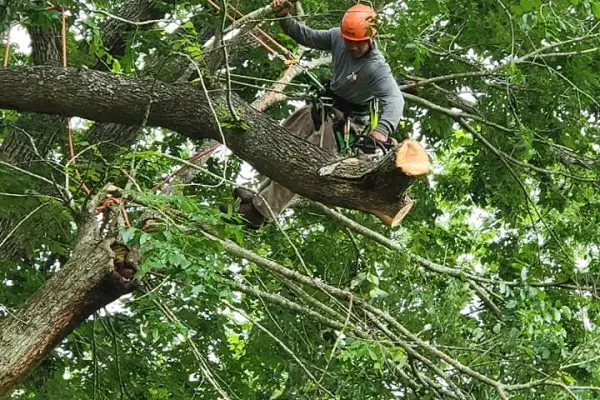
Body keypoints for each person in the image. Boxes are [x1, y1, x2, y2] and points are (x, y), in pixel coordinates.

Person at [231, 1, 405, 228]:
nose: (352, 47)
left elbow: (395, 99)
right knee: (282, 141)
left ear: (370, 39)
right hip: (321, 107)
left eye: (358, 43)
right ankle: (259, 195)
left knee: (302, 164)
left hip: (343, 123)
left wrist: (380, 132)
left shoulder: (376, 67)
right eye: (349, 41)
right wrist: (285, 17)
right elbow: (307, 37)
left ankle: (261, 212)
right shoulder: (338, 38)